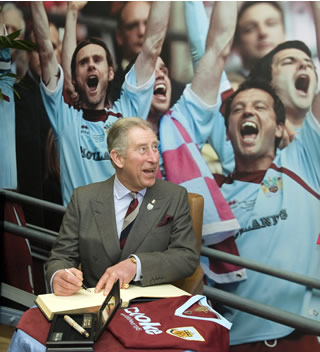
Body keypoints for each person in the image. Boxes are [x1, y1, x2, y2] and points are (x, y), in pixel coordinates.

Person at [212, 79, 320, 351]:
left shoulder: (304, 163)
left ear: (281, 128)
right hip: (232, 343)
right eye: (237, 110)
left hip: (300, 339)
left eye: (260, 107)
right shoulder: (209, 193)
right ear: (227, 133)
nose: (248, 112)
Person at [31, 1, 171, 206]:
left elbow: (152, 46)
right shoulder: (65, 118)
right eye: (83, 62)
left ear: (111, 72)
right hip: (83, 233)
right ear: (74, 78)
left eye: (97, 60)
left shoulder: (128, 112)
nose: (91, 66)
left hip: (125, 233)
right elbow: (44, 48)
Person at [46, 117, 198, 297]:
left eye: (155, 147)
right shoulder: (84, 199)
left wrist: (136, 265)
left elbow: (186, 257)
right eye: (143, 149)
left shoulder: (174, 196)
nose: (153, 158)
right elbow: (62, 257)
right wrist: (58, 276)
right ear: (118, 158)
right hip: (96, 305)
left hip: (149, 308)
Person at [15, 21, 62, 232]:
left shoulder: (72, 96)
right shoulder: (14, 98)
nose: (45, 53)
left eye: (51, 46)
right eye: (37, 47)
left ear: (60, 51)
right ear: (26, 53)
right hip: (34, 214)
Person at [110, 1, 184, 105]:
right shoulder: (107, 91)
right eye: (132, 26)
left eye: (148, 24)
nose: (141, 31)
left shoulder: (180, 94)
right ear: (119, 36)